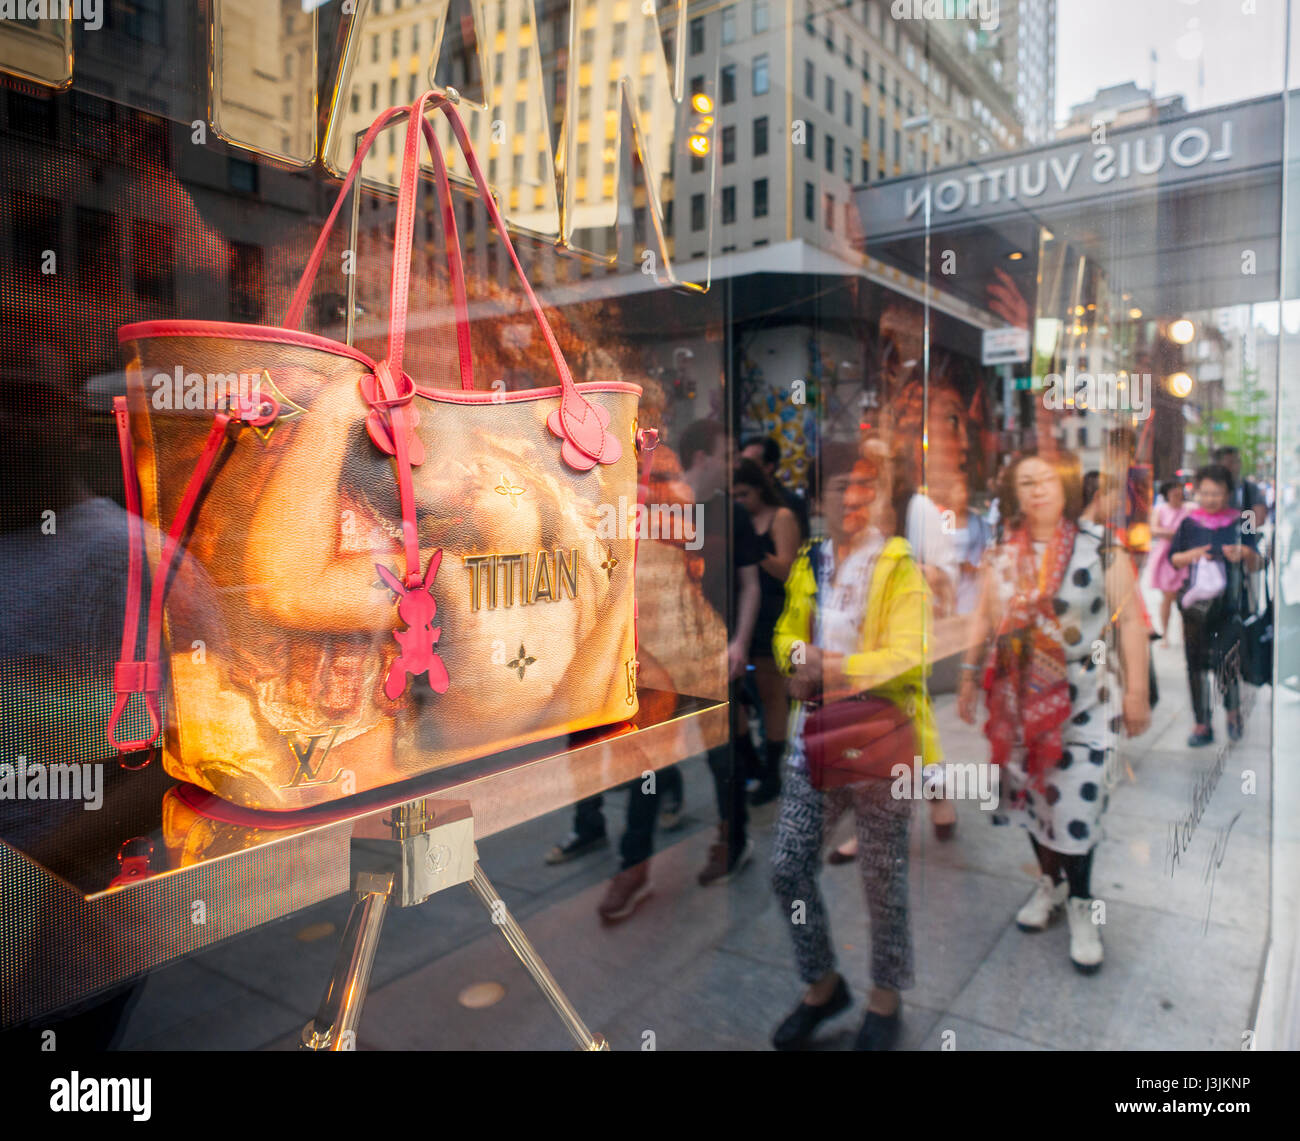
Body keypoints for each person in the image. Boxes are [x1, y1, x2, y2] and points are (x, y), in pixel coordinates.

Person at [769, 441, 939, 1051]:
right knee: (788, 867)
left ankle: (885, 998)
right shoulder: (811, 560)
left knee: (882, 877)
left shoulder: (898, 565)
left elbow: (907, 655)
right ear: (819, 499)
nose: (851, 496)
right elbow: (787, 633)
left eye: (864, 485)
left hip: (880, 745)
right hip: (812, 741)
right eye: (839, 485)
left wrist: (829, 664)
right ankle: (822, 985)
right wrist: (796, 659)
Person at [959, 450, 1150, 975]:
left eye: (1045, 480)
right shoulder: (1002, 553)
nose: (1036, 490)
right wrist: (971, 673)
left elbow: (1130, 620)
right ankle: (1050, 884)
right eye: (1025, 482)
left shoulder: (1100, 548)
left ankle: (1083, 902)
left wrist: (1136, 693)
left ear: (1065, 487)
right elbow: (984, 615)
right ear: (1015, 494)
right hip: (1020, 702)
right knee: (1031, 800)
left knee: (1076, 807)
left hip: (1087, 700)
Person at [680, 419, 763, 885]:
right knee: (645, 759)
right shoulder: (660, 507)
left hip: (716, 654)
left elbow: (750, 585)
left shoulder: (731, 513)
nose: (733, 465)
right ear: (701, 458)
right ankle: (635, 850)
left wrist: (739, 643)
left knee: (720, 754)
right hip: (669, 658)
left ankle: (734, 841)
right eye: (727, 455)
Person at [1169, 464, 1263, 747]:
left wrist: (1244, 552)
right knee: (1194, 665)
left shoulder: (1240, 521)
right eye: (1205, 493)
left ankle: (1233, 715)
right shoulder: (1189, 523)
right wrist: (1193, 555)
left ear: (1228, 494)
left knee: (1227, 662)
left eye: (1217, 493)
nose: (1210, 499)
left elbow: (1258, 563)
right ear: (1196, 492)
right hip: (1195, 609)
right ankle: (1202, 724)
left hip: (1230, 607)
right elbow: (1173, 559)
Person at [733, 458, 801, 806]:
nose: (740, 500)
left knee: (772, 695)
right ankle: (753, 763)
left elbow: (788, 571)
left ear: (758, 489)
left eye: (744, 493)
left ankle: (773, 771)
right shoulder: (738, 517)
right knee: (738, 697)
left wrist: (753, 553)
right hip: (742, 611)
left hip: (772, 611)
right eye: (735, 495)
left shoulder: (781, 517)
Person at [741, 435, 809, 540]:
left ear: (769, 467)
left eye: (750, 462)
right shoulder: (735, 498)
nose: (743, 467)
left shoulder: (791, 503)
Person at [1149, 479, 1192, 644]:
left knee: (1184, 600)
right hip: (1165, 557)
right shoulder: (1160, 509)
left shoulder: (1188, 510)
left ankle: (1184, 635)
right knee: (1167, 597)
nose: (1177, 495)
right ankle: (1165, 634)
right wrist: (1174, 534)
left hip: (1184, 556)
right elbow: (1154, 529)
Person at [1212, 445, 1267, 530]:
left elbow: (1259, 518)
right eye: (1230, 463)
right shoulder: (1211, 488)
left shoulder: (1250, 488)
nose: (1235, 466)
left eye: (1237, 462)